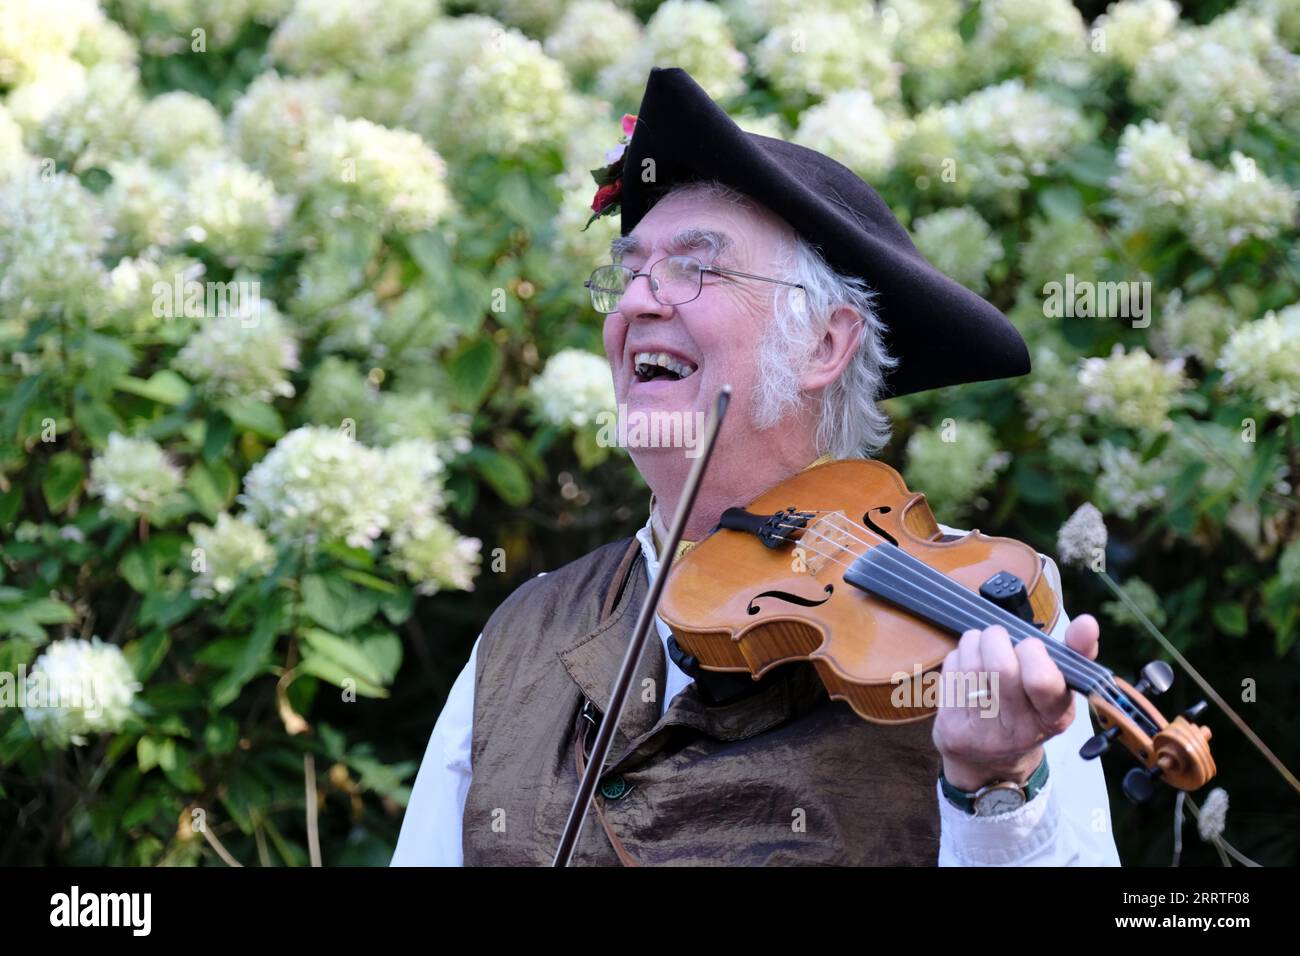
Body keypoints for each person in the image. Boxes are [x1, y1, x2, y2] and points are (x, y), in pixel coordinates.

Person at [392, 67, 1121, 866]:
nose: (637, 302)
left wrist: (994, 786)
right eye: (629, 272)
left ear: (824, 344)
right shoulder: (520, 635)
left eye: (692, 269)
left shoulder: (981, 612)